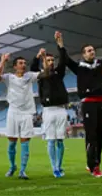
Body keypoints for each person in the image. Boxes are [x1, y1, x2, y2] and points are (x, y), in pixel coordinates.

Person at [56, 29, 102, 177]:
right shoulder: (79, 68)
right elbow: (66, 59)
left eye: (93, 50)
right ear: (83, 54)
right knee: (91, 136)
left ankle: (93, 162)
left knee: (100, 136)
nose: (92, 52)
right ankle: (94, 167)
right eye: (88, 50)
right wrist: (60, 45)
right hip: (88, 104)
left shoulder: (100, 64)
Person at [0, 53, 41, 180]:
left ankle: (23, 170)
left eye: (24, 63)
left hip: (27, 113)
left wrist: (42, 57)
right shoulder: (9, 77)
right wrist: (2, 61)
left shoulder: (30, 76)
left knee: (25, 142)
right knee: (12, 142)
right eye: (20, 63)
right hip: (13, 112)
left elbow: (44, 74)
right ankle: (12, 166)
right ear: (14, 66)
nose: (23, 65)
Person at [30, 37, 68, 178]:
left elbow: (64, 59)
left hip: (61, 109)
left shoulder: (59, 73)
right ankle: (54, 168)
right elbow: (32, 68)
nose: (51, 62)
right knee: (51, 140)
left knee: (60, 140)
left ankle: (59, 165)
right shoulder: (41, 75)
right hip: (48, 111)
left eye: (52, 60)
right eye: (48, 60)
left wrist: (60, 44)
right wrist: (38, 56)